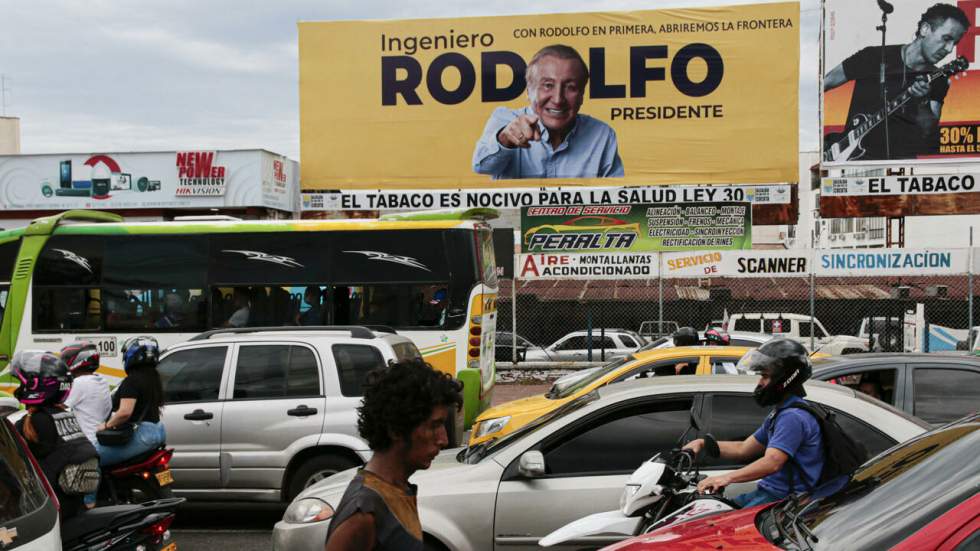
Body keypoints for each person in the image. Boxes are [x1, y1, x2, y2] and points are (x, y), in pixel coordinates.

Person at [324, 358, 463, 551]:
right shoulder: (363, 514)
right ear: (396, 430)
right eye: (434, 426)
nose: (443, 440)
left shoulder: (398, 489)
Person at [683, 339, 824, 507]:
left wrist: (726, 478)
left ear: (785, 378)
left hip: (782, 501)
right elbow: (743, 449)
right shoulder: (781, 413)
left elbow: (772, 462)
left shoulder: (793, 416)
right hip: (769, 493)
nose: (760, 383)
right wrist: (702, 443)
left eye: (765, 376)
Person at [823, 3, 969, 160]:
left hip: (898, 165)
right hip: (851, 159)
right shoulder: (872, 57)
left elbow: (928, 132)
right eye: (946, 39)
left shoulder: (938, 79)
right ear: (925, 29)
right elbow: (825, 83)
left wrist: (922, 101)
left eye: (954, 43)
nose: (949, 49)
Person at [472, 44, 624, 179]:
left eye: (570, 87)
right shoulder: (504, 118)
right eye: (548, 85)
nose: (558, 99)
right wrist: (506, 139)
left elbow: (618, 196)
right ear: (528, 91)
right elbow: (481, 167)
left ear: (582, 95)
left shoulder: (602, 135)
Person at [11, 350, 99, 520]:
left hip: (48, 512)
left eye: (22, 383)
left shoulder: (34, 421)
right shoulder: (65, 414)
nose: (19, 388)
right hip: (73, 505)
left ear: (36, 385)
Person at [94, 336, 166, 467]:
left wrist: (105, 426)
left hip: (142, 436)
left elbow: (125, 413)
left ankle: (92, 488)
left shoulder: (132, 381)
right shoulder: (154, 379)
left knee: (92, 459)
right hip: (158, 432)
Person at [61, 342, 111, 509]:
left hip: (86, 444)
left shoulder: (80, 383)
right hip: (98, 439)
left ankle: (87, 505)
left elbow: (61, 406)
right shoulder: (101, 381)